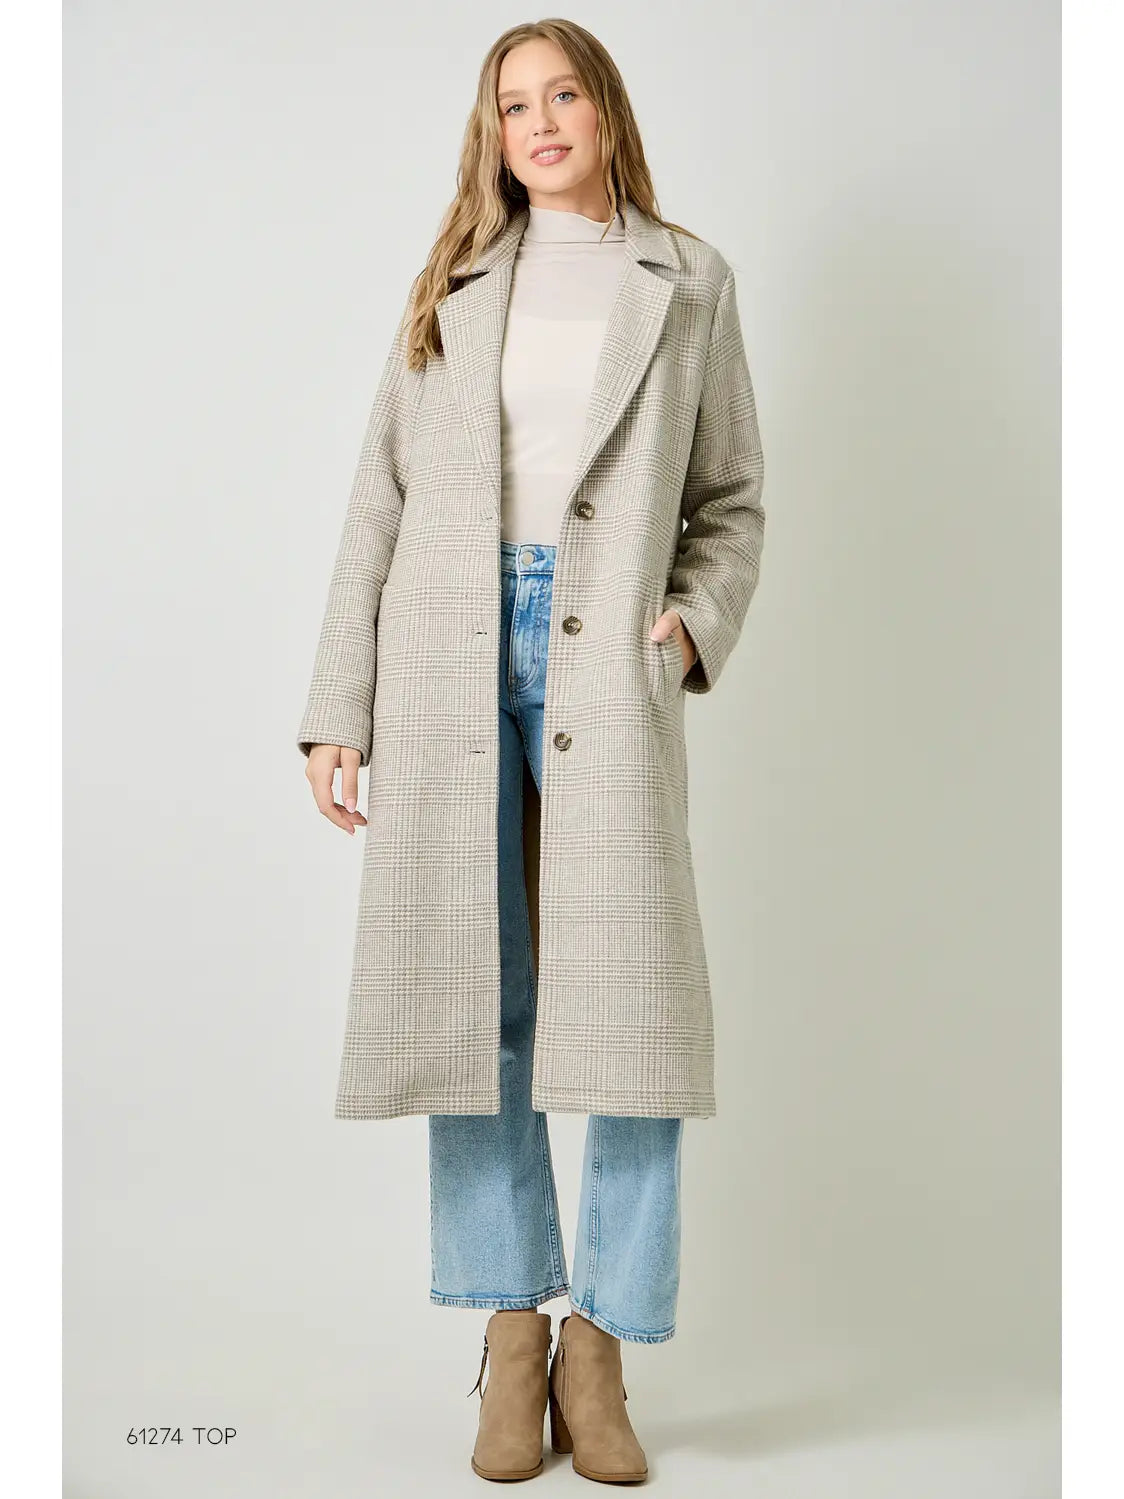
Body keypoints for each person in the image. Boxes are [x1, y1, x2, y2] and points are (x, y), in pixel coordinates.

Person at [297, 18, 765, 1486]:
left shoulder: (688, 280)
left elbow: (731, 496)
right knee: (472, 996)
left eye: (564, 94)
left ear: (606, 110)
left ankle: (602, 1345)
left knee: (629, 1008)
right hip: (445, 653)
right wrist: (338, 703)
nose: (541, 121)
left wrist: (688, 627)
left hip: (605, 650)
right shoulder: (451, 280)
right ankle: (511, 1332)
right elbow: (378, 496)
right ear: (492, 135)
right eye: (514, 104)